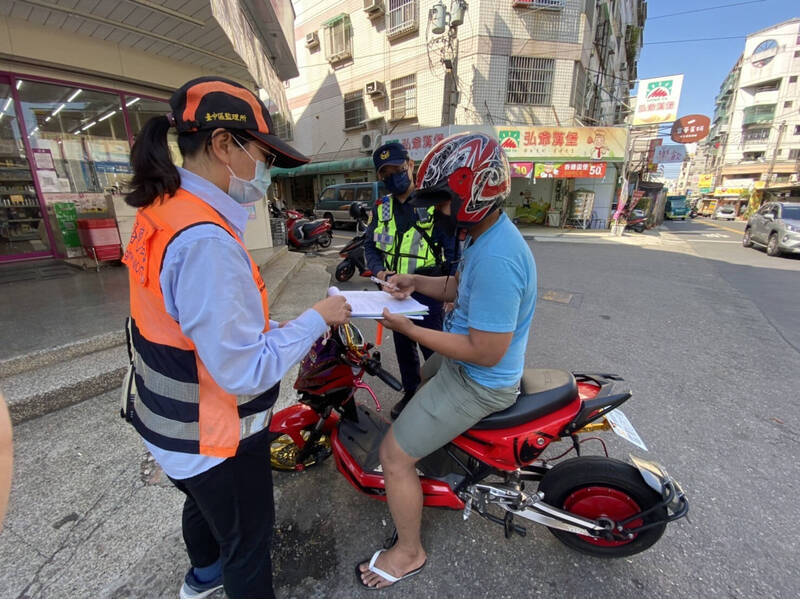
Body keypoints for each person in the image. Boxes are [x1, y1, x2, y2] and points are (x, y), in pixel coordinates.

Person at [121, 76, 350, 599]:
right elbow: (243, 370)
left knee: (203, 508)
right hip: (214, 436)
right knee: (247, 544)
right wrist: (317, 318)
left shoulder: (163, 209)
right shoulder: (205, 241)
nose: (265, 172)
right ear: (224, 145)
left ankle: (201, 578)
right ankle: (213, 578)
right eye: (263, 155)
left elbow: (184, 321)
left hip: (166, 424)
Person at [357, 132, 537, 589]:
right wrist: (413, 281)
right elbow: (457, 289)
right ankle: (436, 460)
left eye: (443, 200)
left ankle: (408, 552)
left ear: (473, 193)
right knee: (421, 376)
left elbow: (486, 350)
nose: (437, 210)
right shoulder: (485, 234)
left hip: (481, 378)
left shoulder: (497, 255)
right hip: (467, 364)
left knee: (392, 455)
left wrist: (412, 329)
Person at [363, 142, 459, 419]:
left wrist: (450, 294)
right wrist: (381, 274)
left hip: (430, 290)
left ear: (411, 165)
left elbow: (453, 252)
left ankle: (445, 398)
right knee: (403, 346)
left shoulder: (433, 203)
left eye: (397, 169)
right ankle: (411, 392)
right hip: (394, 292)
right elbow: (370, 247)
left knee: (434, 348)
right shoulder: (381, 208)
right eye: (385, 174)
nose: (392, 177)